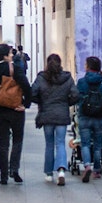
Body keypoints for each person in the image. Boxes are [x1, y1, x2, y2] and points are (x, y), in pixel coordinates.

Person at [0, 43, 31, 185]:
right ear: (5, 56)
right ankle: (14, 169)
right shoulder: (14, 69)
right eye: (10, 53)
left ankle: (3, 175)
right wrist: (25, 104)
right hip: (15, 108)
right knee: (17, 140)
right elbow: (27, 87)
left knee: (3, 142)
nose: (12, 55)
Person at [31, 53, 79, 186]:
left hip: (46, 114)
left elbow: (32, 93)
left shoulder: (41, 77)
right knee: (60, 143)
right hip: (62, 114)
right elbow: (75, 94)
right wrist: (66, 103)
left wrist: (41, 101)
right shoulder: (67, 78)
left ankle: (48, 172)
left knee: (49, 144)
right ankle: (62, 170)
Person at [76, 56, 102, 182]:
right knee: (97, 144)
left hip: (85, 116)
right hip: (100, 117)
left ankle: (87, 165)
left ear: (88, 67)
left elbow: (77, 97)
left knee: (85, 143)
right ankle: (97, 169)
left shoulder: (81, 81)